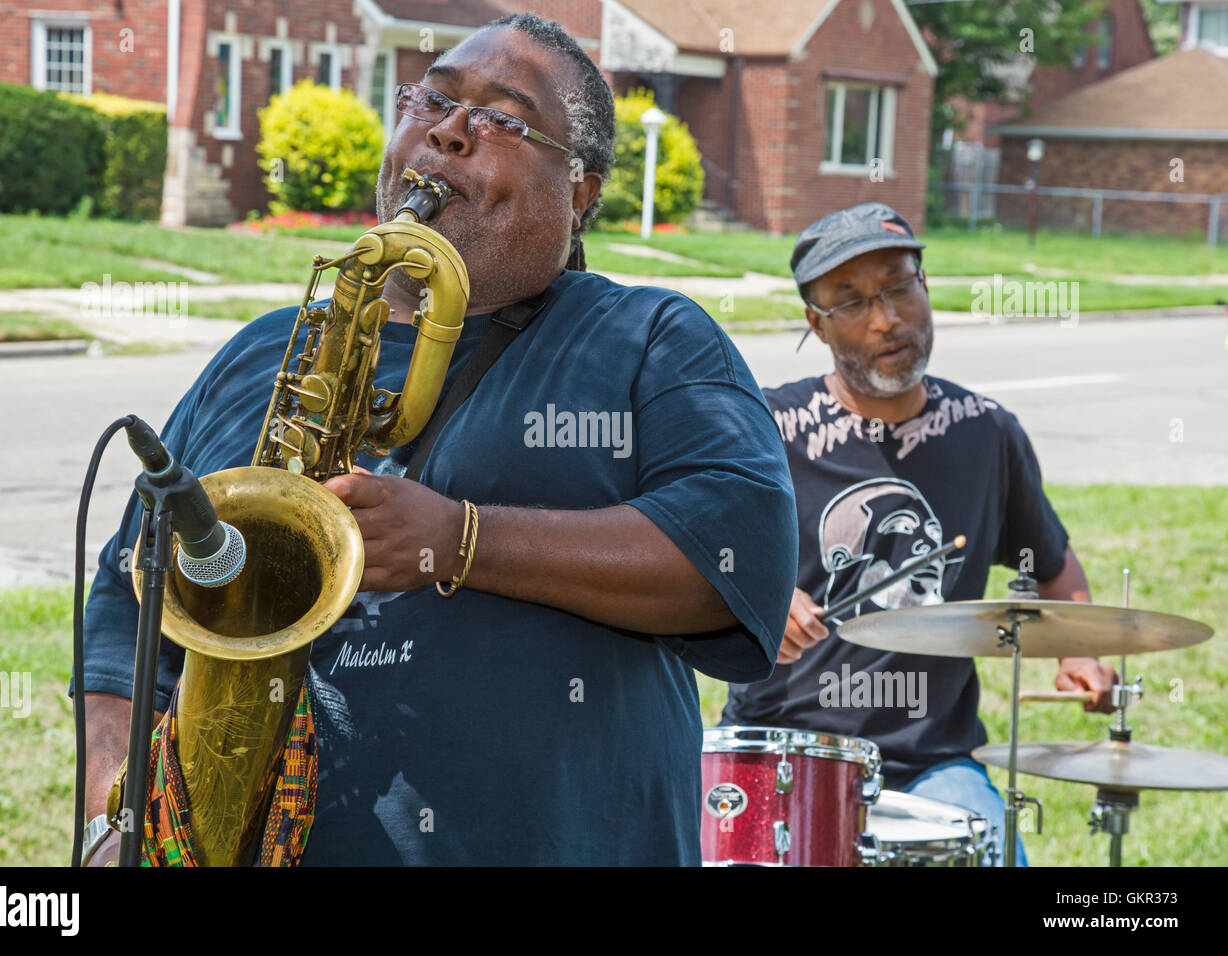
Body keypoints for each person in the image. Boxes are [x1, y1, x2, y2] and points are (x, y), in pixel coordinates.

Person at [76, 13, 797, 866]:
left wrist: (462, 541)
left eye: (504, 118)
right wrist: (111, 817)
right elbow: (128, 597)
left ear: (581, 193)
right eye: (432, 100)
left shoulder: (651, 337)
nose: (450, 131)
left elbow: (738, 559)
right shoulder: (265, 351)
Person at [721, 202, 1117, 866]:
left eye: (899, 286)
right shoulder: (767, 430)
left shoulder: (985, 432)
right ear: (816, 323)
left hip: (933, 760)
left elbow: (1049, 561)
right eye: (851, 301)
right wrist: (756, 597)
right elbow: (696, 558)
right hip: (784, 745)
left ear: (926, 286)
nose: (885, 318)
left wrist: (1081, 651)